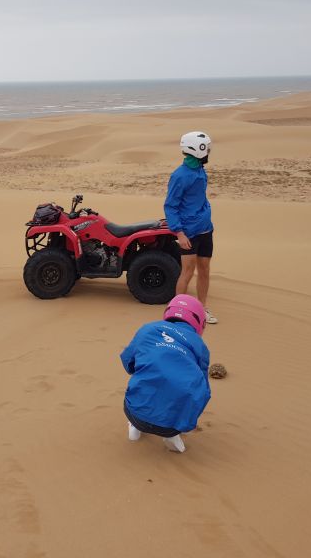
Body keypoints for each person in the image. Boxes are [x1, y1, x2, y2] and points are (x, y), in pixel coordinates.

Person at [119, 294, 211, 453]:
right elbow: (203, 389)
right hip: (173, 426)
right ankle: (172, 434)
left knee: (143, 379)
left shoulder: (148, 329)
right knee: (191, 389)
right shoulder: (200, 346)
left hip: (134, 412)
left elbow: (128, 362)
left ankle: (135, 426)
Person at [164, 130, 218, 324]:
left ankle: (202, 309)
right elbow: (170, 205)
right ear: (197, 150)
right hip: (188, 232)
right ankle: (177, 311)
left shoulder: (200, 170)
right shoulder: (180, 176)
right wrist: (179, 233)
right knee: (187, 271)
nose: (208, 153)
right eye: (206, 150)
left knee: (204, 269)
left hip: (205, 229)